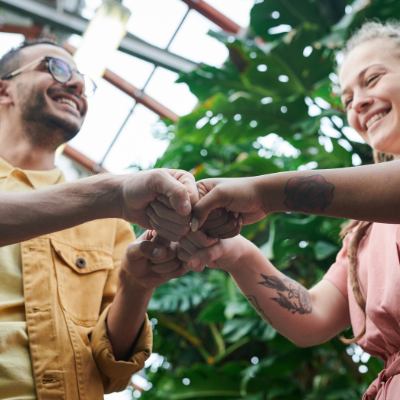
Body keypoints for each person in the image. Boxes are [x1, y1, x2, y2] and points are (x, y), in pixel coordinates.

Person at [148, 21, 400, 400]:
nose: (359, 103)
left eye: (373, 79)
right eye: (347, 99)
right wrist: (232, 252)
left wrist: (264, 193)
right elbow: (312, 317)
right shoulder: (363, 232)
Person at [0, 38, 203, 400]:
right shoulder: (107, 205)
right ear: (4, 90)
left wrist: (136, 287)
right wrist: (110, 194)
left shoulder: (110, 226)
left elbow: (111, 370)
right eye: (56, 68)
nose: (78, 84)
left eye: (83, 79)